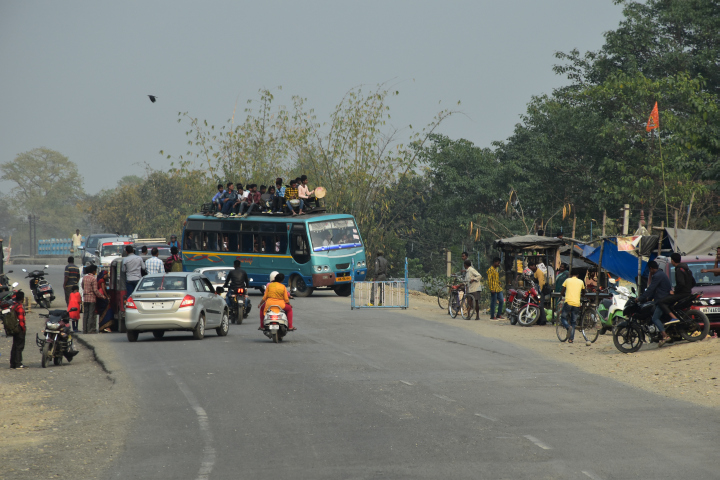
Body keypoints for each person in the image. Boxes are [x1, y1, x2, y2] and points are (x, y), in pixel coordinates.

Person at [638, 260, 672, 346]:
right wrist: (648, 298)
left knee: (655, 318)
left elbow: (651, 289)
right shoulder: (661, 274)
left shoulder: (657, 276)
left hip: (662, 300)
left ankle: (665, 336)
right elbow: (656, 290)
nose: (650, 272)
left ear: (651, 268)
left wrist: (640, 298)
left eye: (650, 270)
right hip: (663, 298)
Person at [657, 253, 695, 324]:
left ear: (672, 261)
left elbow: (681, 283)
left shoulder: (679, 270)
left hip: (681, 294)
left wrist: (675, 291)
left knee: (661, 302)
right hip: (688, 293)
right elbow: (693, 282)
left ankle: (673, 318)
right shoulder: (686, 269)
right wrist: (687, 289)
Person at [560, 271, 586, 343]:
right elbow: (584, 292)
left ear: (571, 274)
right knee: (573, 321)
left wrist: (563, 295)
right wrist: (582, 295)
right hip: (577, 303)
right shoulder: (581, 282)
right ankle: (571, 339)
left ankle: (568, 327)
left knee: (563, 317)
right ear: (577, 275)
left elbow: (562, 292)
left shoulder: (567, 280)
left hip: (568, 302)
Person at [82, 265, 103, 334]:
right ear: (93, 271)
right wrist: (102, 296)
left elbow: (82, 286)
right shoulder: (93, 278)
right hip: (92, 299)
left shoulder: (84, 278)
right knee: (91, 314)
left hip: (85, 298)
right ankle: (90, 330)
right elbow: (95, 290)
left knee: (85, 315)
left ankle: (84, 330)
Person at [8, 291, 27, 368]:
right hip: (19, 329)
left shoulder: (14, 306)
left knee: (15, 345)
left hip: (14, 328)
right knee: (19, 346)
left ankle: (13, 363)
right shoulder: (20, 307)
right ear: (22, 299)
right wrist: (23, 329)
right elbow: (21, 320)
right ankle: (18, 363)